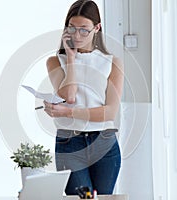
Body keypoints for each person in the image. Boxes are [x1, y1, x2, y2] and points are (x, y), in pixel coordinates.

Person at [43, 0, 124, 195]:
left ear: (97, 28)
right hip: (69, 142)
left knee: (103, 198)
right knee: (79, 199)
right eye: (72, 28)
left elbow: (109, 112)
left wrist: (69, 113)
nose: (77, 35)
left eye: (84, 30)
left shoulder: (112, 62)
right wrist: (71, 58)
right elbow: (69, 95)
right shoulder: (55, 61)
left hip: (104, 141)